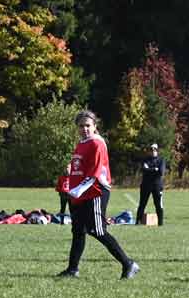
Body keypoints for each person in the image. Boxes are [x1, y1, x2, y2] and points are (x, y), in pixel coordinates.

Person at [58, 110, 138, 279]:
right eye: (81, 126)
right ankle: (72, 269)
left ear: (95, 126)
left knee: (97, 230)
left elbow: (94, 173)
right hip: (80, 193)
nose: (85, 129)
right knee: (78, 231)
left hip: (95, 191)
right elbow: (80, 168)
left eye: (88, 125)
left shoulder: (97, 143)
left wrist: (76, 191)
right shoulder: (81, 143)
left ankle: (128, 264)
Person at [137, 142, 167, 226]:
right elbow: (144, 170)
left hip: (157, 186)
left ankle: (160, 223)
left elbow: (161, 172)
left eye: (155, 149)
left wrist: (150, 169)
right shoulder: (145, 160)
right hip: (146, 185)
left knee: (158, 205)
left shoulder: (161, 160)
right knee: (142, 204)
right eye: (151, 149)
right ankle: (138, 222)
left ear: (157, 150)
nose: (153, 151)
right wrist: (155, 169)